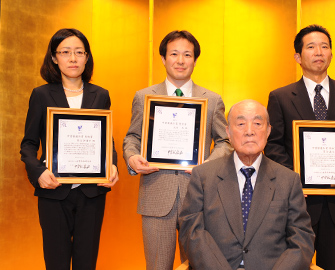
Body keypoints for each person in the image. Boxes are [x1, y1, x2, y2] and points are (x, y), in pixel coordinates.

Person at [265, 25, 335, 270]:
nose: (319, 52)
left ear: (331, 54)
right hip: (297, 203)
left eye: (324, 46)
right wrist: (293, 180)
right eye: (311, 47)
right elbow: (273, 146)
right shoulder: (280, 97)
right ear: (298, 57)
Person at [123, 30, 231, 270]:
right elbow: (132, 137)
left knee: (198, 266)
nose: (180, 60)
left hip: (199, 197)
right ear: (163, 59)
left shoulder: (212, 100)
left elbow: (225, 142)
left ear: (195, 60)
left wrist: (207, 166)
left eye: (187, 55)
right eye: (174, 54)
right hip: (156, 194)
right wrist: (132, 158)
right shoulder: (144, 97)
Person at [20, 28, 119, 270]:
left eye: (79, 52)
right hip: (53, 192)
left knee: (87, 262)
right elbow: (29, 144)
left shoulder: (101, 95)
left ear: (87, 57)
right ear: (54, 58)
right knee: (56, 262)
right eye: (65, 52)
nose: (73, 59)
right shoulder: (41, 95)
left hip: (91, 194)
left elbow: (107, 139)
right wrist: (38, 173)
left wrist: (113, 164)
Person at [179, 100, 315, 270]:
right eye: (241, 124)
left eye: (258, 124)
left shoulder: (289, 180)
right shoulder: (203, 176)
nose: (249, 131)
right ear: (228, 131)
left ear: (268, 131)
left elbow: (302, 238)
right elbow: (191, 232)